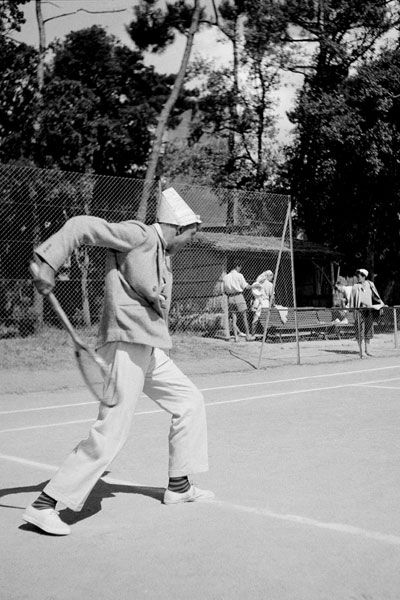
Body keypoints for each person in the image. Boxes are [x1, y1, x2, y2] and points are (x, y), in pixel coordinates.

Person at [23, 187, 214, 536]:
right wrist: (49, 261)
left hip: (148, 347)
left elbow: (145, 290)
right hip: (127, 345)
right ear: (177, 226)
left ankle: (180, 486)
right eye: (190, 234)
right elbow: (82, 225)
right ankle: (45, 504)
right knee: (112, 431)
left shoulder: (161, 251)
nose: (190, 241)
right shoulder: (139, 234)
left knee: (189, 402)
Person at [349, 268, 384, 356]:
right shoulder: (355, 286)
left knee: (368, 331)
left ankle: (367, 350)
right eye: (357, 276)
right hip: (359, 311)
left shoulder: (370, 284)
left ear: (364, 276)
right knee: (360, 331)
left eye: (360, 276)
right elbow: (353, 300)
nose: (358, 277)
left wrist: (381, 303)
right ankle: (362, 351)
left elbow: (375, 296)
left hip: (369, 311)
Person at [222, 264, 255, 341]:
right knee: (244, 316)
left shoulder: (225, 277)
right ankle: (247, 335)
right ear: (237, 266)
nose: (240, 269)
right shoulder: (239, 275)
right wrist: (254, 286)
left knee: (234, 317)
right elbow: (246, 286)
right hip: (239, 296)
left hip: (230, 297)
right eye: (240, 267)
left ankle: (236, 337)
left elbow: (223, 290)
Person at [250, 270, 274, 336]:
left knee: (256, 317)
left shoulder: (259, 282)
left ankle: (253, 333)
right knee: (265, 318)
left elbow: (253, 292)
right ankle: (265, 333)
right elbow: (272, 296)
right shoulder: (270, 284)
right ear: (269, 276)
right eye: (272, 277)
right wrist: (273, 304)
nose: (272, 279)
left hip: (257, 301)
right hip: (265, 302)